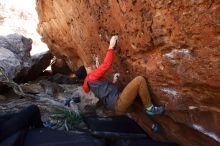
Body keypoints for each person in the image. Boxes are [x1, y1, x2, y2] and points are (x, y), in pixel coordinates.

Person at [76, 35, 164, 116]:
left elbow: (105, 91)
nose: (90, 68)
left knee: (137, 100)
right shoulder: (91, 77)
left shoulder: (89, 83)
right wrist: (111, 46)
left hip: (116, 106)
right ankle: (150, 108)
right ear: (86, 72)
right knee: (139, 80)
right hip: (118, 102)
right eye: (87, 68)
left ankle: (152, 122)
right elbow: (106, 65)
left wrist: (114, 81)